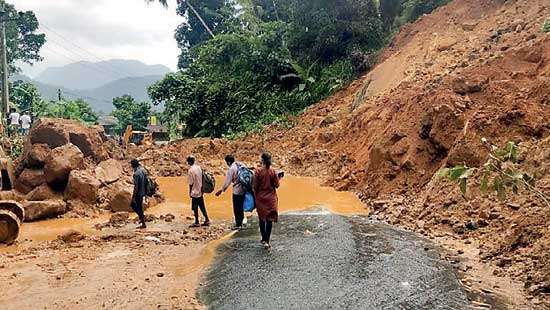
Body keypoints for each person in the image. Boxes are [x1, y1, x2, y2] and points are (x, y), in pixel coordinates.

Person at [253, 152, 281, 250]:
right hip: (271, 199)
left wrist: (255, 196)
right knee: (269, 220)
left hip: (261, 198)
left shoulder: (257, 171)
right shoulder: (273, 171)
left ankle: (263, 238)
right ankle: (267, 240)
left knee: (261, 219)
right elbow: (277, 185)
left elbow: (255, 186)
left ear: (262, 160)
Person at [216, 155, 245, 230]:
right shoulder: (240, 164)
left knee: (236, 207)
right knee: (241, 206)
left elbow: (227, 182)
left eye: (226, 162)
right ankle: (241, 222)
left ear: (228, 161)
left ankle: (238, 224)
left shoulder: (232, 168)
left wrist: (221, 190)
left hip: (237, 190)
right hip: (244, 189)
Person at [187, 155, 210, 227]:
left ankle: (196, 221)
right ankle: (207, 219)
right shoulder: (199, 168)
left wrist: (190, 192)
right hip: (200, 190)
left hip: (194, 191)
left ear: (189, 162)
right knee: (202, 206)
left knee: (195, 207)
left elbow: (191, 183)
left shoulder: (191, 170)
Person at [131, 159, 147, 229]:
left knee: (134, 205)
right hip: (143, 191)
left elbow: (136, 187)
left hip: (138, 193)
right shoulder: (143, 170)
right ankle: (141, 219)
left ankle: (143, 222)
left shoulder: (136, 174)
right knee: (140, 207)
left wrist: (133, 197)